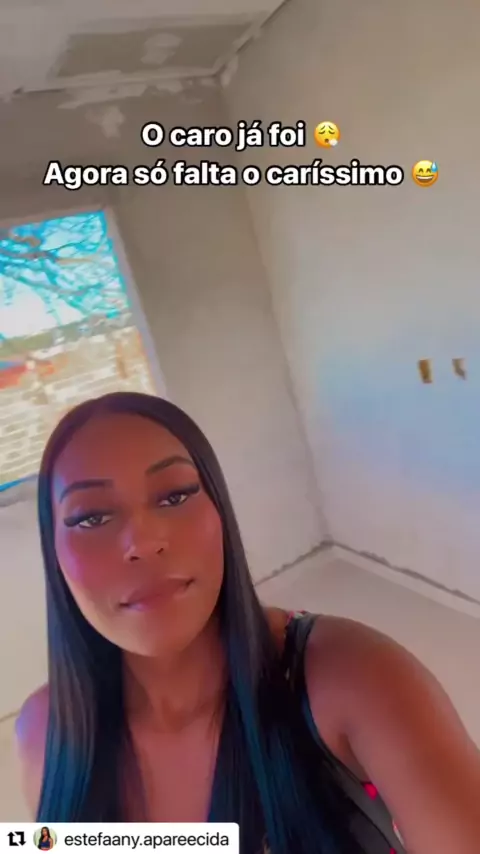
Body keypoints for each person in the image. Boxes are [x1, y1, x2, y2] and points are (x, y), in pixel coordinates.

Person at [15, 391, 480, 854]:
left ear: (220, 511)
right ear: (54, 554)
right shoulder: (44, 736)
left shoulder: (354, 678)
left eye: (175, 495)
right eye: (92, 517)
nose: (143, 541)